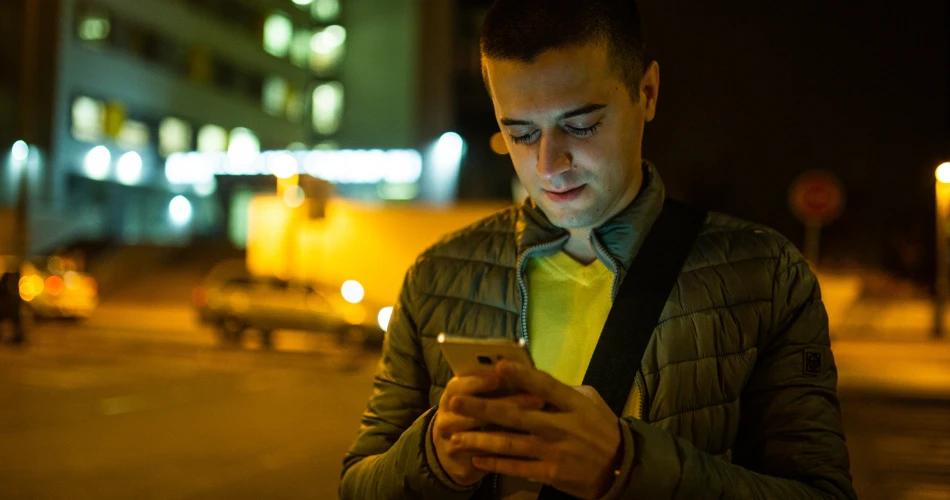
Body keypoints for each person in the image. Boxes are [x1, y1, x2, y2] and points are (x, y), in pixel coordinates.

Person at [340, 1, 855, 498]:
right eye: (519, 134)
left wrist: (625, 469)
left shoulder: (766, 276)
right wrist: (432, 459)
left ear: (647, 93)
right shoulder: (436, 274)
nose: (548, 165)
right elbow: (357, 483)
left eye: (580, 125)